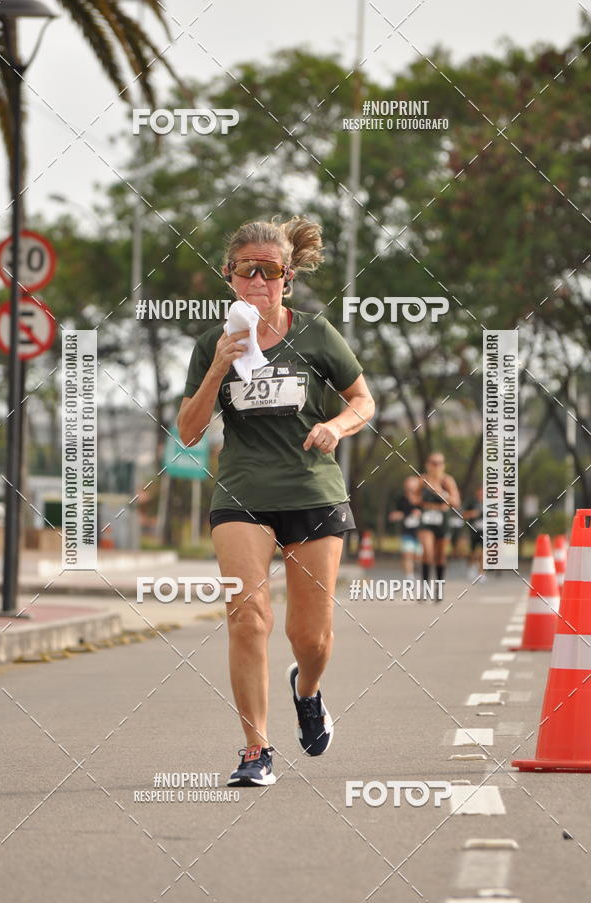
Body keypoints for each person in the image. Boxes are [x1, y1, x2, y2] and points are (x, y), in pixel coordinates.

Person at [177, 216, 375, 787]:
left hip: (312, 493)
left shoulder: (315, 334)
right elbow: (189, 431)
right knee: (248, 617)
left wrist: (337, 426)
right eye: (248, 270)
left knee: (309, 638)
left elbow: (362, 400)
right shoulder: (208, 345)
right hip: (242, 494)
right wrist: (218, 364)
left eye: (271, 272)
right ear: (230, 276)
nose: (259, 281)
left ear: (287, 278)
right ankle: (255, 749)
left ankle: (307, 691)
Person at [416, 452, 461, 597]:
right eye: (433, 463)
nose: (436, 466)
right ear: (428, 464)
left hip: (443, 518)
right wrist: (421, 502)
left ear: (443, 465)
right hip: (427, 518)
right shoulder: (423, 480)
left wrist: (442, 492)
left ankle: (439, 588)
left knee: (440, 555)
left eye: (439, 463)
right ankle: (425, 587)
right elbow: (414, 498)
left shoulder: (447, 480)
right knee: (428, 552)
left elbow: (456, 502)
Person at [388, 476, 422, 583]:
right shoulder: (401, 499)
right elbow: (394, 514)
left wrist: (420, 514)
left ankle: (416, 566)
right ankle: (409, 576)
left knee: (418, 556)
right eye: (408, 485)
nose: (410, 487)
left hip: (421, 533)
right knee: (408, 553)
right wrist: (399, 515)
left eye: (413, 485)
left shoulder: (423, 499)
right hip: (407, 531)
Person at [463, 486, 485, 582]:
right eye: (480, 492)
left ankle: (481, 573)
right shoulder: (471, 502)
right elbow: (463, 514)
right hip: (474, 530)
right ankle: (471, 568)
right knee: (473, 552)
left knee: (484, 552)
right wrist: (472, 513)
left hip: (486, 531)